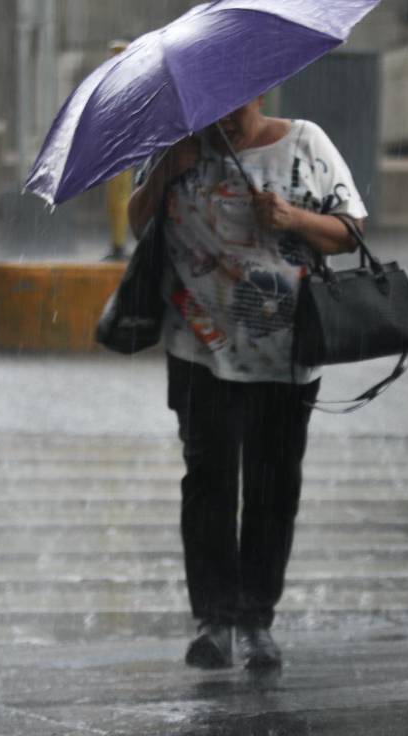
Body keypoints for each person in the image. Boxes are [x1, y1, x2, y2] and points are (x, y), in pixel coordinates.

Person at [127, 95, 368, 670]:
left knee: (272, 486)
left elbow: (351, 232)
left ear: (260, 92)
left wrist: (292, 219)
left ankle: (257, 619)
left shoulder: (305, 141)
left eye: (233, 108)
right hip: (198, 350)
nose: (223, 121)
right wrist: (165, 171)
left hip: (285, 354)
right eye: (212, 110)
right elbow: (138, 225)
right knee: (208, 483)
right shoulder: (178, 148)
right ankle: (214, 621)